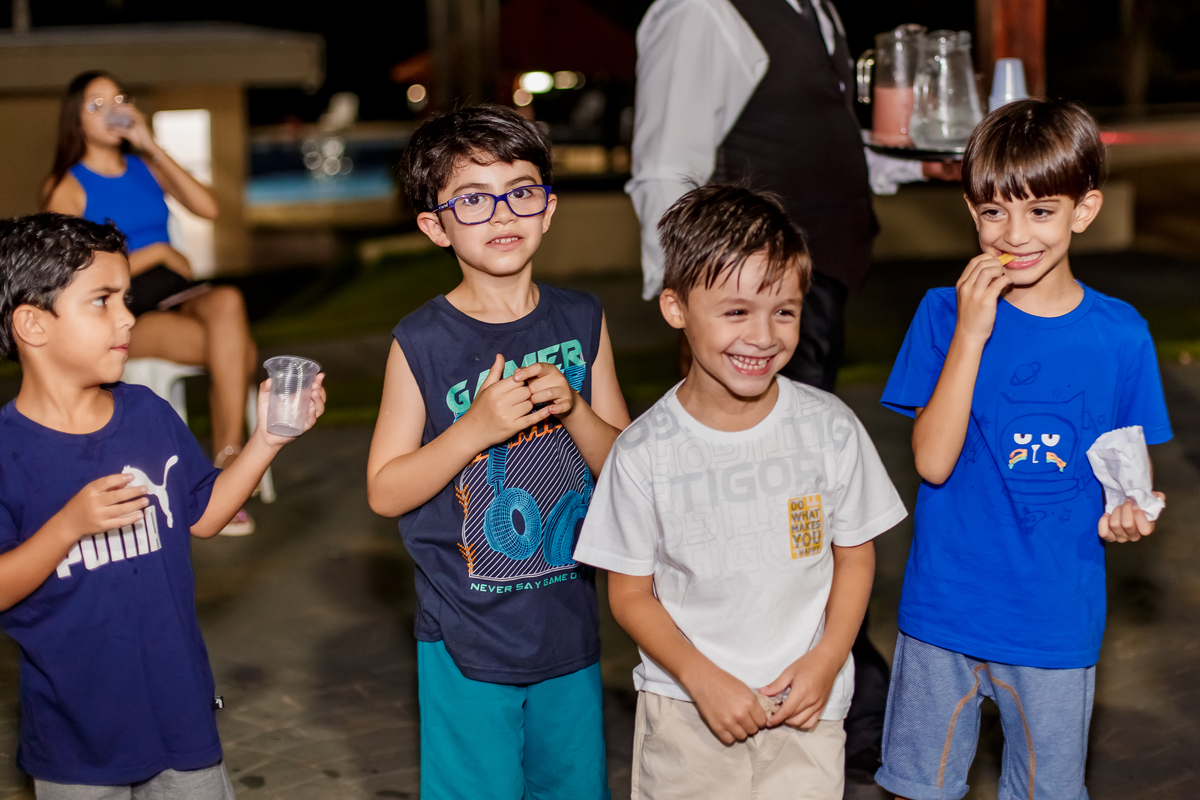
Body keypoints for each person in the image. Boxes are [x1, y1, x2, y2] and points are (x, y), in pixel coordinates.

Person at [625, 1, 951, 768]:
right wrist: (695, 318)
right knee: (775, 506)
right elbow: (666, 165)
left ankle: (833, 684)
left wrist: (911, 163)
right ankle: (837, 698)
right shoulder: (702, 10)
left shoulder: (817, 8)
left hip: (802, 292)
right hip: (747, 308)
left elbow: (814, 141)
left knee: (802, 500)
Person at [875, 98, 1171, 800]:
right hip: (944, 609)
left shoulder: (1122, 335)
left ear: (1083, 210)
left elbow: (1129, 469)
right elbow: (932, 462)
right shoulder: (942, 313)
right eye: (994, 212)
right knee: (919, 787)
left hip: (1055, 621)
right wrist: (972, 332)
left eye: (1041, 211)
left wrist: (1130, 512)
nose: (1015, 235)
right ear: (971, 212)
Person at [574, 184, 907, 799]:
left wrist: (827, 660)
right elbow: (630, 594)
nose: (763, 335)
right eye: (735, 311)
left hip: (807, 708)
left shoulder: (830, 428)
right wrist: (700, 678)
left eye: (784, 311)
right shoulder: (643, 451)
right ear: (676, 308)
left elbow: (855, 556)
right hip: (687, 713)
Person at [0, 212, 325, 798]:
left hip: (181, 718)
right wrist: (68, 526)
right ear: (33, 323)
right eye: (101, 300)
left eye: (126, 298)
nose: (128, 317)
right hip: (75, 740)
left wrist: (269, 438)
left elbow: (204, 514)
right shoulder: (9, 453)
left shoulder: (147, 413)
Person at [366, 105, 630, 800]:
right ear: (436, 226)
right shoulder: (421, 342)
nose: (502, 213)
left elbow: (629, 470)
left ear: (548, 207)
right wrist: (474, 429)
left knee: (573, 787)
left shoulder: (582, 319)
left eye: (520, 191)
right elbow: (385, 490)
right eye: (473, 199)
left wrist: (576, 410)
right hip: (466, 634)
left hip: (569, 625)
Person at [42, 70, 258, 535]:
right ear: (76, 121)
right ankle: (226, 482)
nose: (111, 110)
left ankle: (227, 461)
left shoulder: (145, 167)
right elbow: (67, 273)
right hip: (124, 310)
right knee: (238, 351)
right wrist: (157, 252)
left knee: (227, 301)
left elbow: (209, 208)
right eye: (96, 105)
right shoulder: (68, 186)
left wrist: (150, 144)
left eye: (118, 99)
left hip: (178, 294)